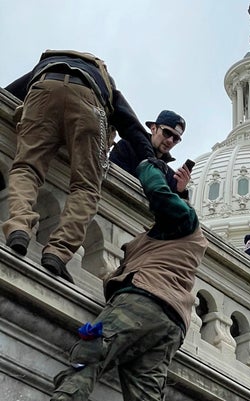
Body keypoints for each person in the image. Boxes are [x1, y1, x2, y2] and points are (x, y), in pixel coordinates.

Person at [4, 158, 208, 401]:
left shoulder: (183, 221)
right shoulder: (177, 236)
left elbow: (159, 195)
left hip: (143, 303)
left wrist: (148, 164)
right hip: (171, 324)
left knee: (88, 358)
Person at [2, 50, 155, 283]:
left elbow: (9, 93)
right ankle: (58, 252)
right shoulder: (105, 81)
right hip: (88, 100)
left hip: (42, 89)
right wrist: (151, 160)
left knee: (26, 168)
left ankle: (19, 228)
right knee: (86, 187)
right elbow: (133, 128)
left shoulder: (51, 63)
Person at [110, 109, 191, 196]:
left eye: (175, 138)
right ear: (153, 128)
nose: (170, 141)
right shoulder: (126, 147)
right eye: (167, 133)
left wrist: (180, 191)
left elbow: (171, 206)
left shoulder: (170, 175)